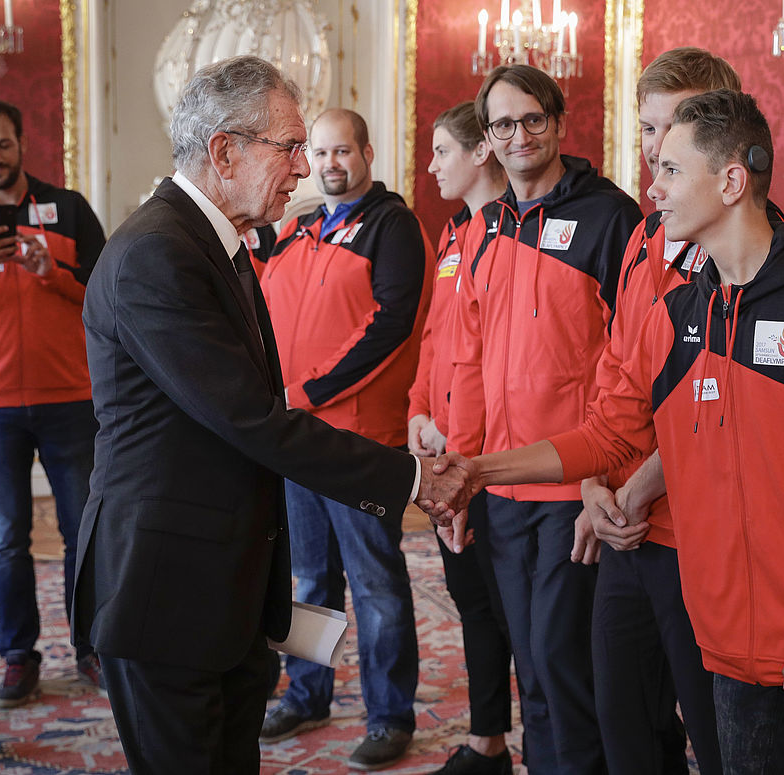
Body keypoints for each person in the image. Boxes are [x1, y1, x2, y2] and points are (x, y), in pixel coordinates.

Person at [445, 88, 784, 775]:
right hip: (730, 643)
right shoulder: (677, 316)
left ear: (731, 182)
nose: (652, 187)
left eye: (671, 169)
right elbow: (608, 435)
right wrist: (479, 470)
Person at [70, 55, 473, 775]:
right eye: (289, 147)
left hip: (221, 584)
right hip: (166, 588)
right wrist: (412, 478)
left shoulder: (213, 244)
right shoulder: (158, 254)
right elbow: (252, 418)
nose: (304, 168)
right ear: (224, 151)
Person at [581, 48, 784, 775]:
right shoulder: (645, 239)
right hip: (625, 523)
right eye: (648, 128)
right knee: (627, 729)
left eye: (677, 127)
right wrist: (594, 484)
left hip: (701, 531)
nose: (656, 147)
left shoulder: (758, 255)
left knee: (721, 736)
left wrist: (636, 489)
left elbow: (725, 406)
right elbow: (615, 375)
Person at [445, 64, 643, 773]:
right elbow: (467, 360)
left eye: (533, 119)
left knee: (566, 666)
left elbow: (630, 360)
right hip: (501, 486)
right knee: (530, 666)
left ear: (559, 123)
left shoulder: (611, 218)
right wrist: (461, 475)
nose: (520, 135)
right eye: (503, 124)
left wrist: (605, 480)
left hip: (573, 486)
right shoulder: (484, 226)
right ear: (487, 137)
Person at [257, 107, 434, 770]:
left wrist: (314, 389)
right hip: (298, 434)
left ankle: (390, 715)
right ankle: (308, 693)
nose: (330, 164)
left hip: (359, 437)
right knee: (309, 576)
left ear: (366, 153)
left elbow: (393, 324)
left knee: (375, 581)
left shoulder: (392, 226)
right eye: (320, 152)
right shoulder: (301, 224)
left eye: (342, 151)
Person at [0, 96, 106, 706]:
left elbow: (107, 299)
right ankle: (18, 657)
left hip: (70, 398)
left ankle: (91, 648)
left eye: (3, 143)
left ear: (21, 143)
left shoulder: (68, 210)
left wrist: (52, 274)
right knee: (5, 540)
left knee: (82, 533)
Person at [411, 101, 514, 775]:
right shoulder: (453, 235)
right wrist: (418, 413)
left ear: (481, 152)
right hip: (444, 448)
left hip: (488, 461)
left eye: (443, 151)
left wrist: (460, 455)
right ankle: (487, 742)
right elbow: (435, 339)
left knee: (509, 612)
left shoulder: (512, 233)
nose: (431, 166)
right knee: (472, 602)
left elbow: (490, 362)